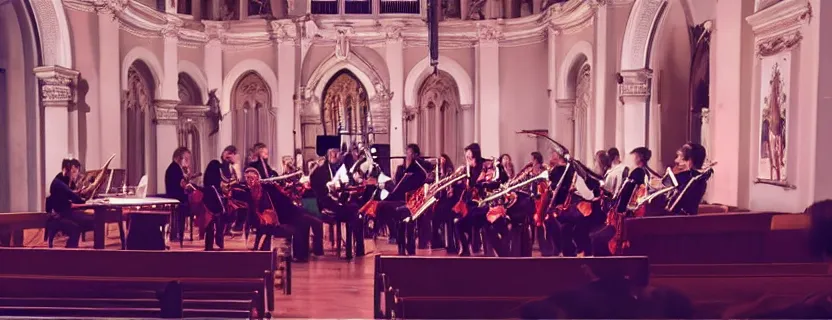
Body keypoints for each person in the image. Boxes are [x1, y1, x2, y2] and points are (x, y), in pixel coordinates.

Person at [373, 144, 432, 255]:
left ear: (416, 155)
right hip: (400, 196)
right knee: (382, 205)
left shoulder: (420, 169)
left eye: (410, 153)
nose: (407, 156)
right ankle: (391, 233)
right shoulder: (401, 168)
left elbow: (420, 184)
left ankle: (402, 240)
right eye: (407, 153)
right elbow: (398, 185)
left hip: (413, 200)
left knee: (398, 212)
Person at [309, 148, 365, 259]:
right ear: (327, 153)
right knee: (353, 211)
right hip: (326, 203)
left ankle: (356, 248)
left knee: (356, 210)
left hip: (337, 200)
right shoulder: (319, 170)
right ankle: (356, 249)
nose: (334, 155)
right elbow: (320, 192)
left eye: (336, 152)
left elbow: (346, 183)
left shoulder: (341, 168)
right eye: (331, 152)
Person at [45, 158, 93, 248]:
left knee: (87, 218)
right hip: (59, 216)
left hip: (63, 212)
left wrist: (78, 193)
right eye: (74, 171)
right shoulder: (59, 183)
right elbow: (74, 200)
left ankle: (72, 250)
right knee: (89, 221)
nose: (76, 175)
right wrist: (88, 203)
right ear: (70, 169)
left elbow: (70, 194)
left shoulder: (61, 180)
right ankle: (71, 252)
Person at [202, 145, 242, 250]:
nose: (237, 159)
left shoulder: (231, 169)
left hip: (225, 200)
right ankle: (210, 246)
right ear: (229, 154)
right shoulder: (214, 165)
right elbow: (209, 184)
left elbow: (234, 184)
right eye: (235, 156)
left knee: (234, 210)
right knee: (213, 220)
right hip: (213, 199)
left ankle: (220, 237)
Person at [667, 143, 710, 215]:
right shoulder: (699, 180)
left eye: (680, 157)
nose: (676, 160)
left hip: (681, 221)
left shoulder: (693, 180)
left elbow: (674, 206)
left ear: (689, 161)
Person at [165, 147, 192, 242]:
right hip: (176, 198)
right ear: (179, 158)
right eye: (186, 158)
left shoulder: (174, 167)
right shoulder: (175, 168)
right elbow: (182, 185)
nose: (188, 161)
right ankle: (178, 234)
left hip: (176, 196)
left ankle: (179, 233)